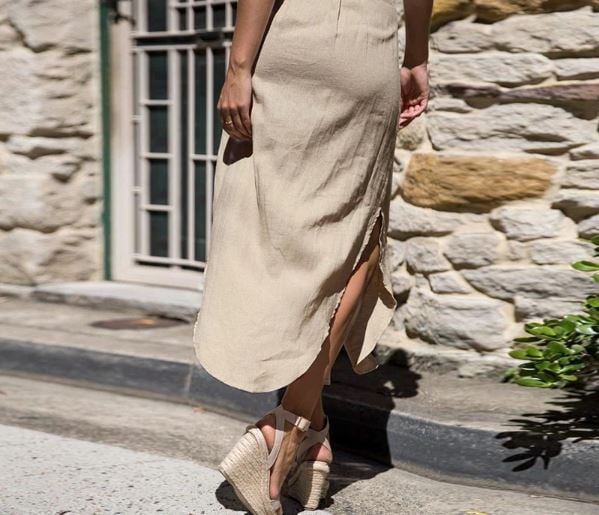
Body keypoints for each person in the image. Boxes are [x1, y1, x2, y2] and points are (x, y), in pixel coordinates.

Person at [192, 0, 432, 513]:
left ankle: (284, 427)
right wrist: (416, 56)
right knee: (356, 232)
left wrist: (238, 67)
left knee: (272, 231)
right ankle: (313, 433)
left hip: (293, 46)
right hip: (368, 54)